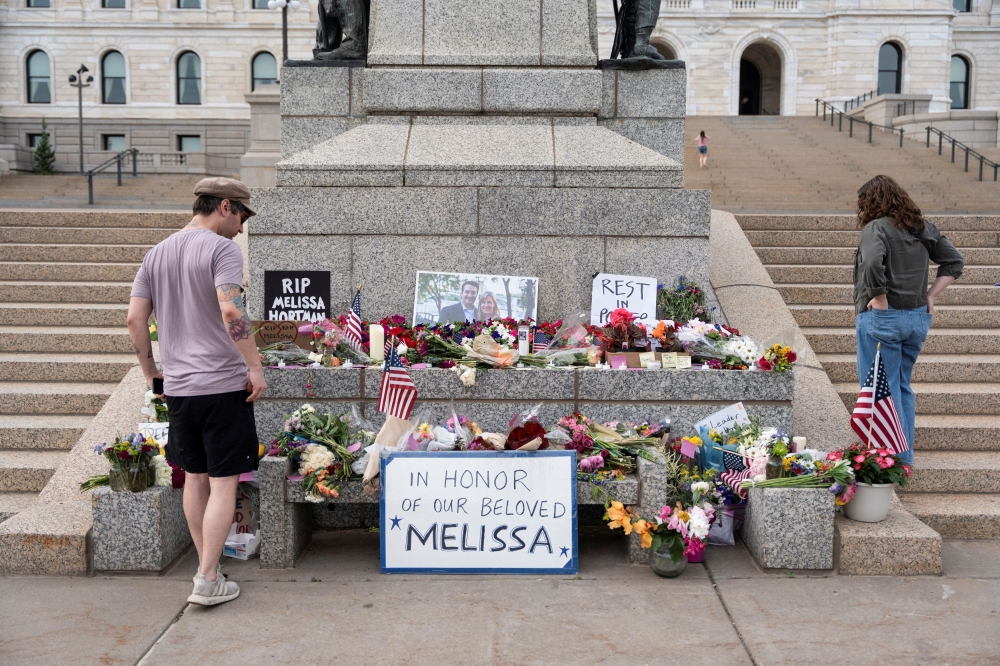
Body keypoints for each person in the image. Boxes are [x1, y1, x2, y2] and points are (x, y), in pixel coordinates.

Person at [127, 177, 266, 607]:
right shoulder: (222, 250)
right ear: (225, 206)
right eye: (242, 216)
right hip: (222, 386)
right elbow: (231, 308)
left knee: (195, 480)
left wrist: (152, 374)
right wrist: (255, 365)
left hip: (181, 390)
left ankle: (207, 569)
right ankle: (207, 578)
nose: (242, 228)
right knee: (225, 484)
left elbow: (134, 319)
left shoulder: (156, 253)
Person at [853, 175, 964, 464]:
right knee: (900, 386)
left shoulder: (875, 228)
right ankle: (902, 458)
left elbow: (873, 262)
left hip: (884, 318)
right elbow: (955, 262)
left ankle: (891, 460)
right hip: (916, 318)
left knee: (879, 390)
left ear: (871, 202)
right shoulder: (922, 229)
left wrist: (878, 299)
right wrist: (931, 295)